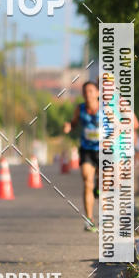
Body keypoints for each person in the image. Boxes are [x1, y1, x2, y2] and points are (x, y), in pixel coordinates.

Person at [63, 81, 104, 231]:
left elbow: (116, 124)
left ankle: (100, 197)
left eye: (92, 91)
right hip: (86, 150)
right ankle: (89, 219)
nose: (88, 94)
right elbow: (74, 123)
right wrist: (69, 126)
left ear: (98, 93)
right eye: (86, 92)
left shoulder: (105, 109)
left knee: (103, 184)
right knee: (87, 181)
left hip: (104, 150)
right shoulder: (80, 109)